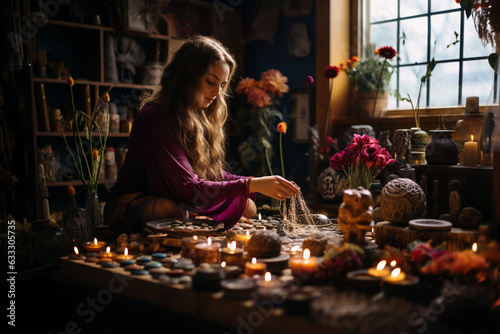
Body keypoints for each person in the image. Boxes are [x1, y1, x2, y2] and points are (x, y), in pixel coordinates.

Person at [104, 35, 300, 234]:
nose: (217, 93)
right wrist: (250, 184)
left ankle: (198, 215)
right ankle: (197, 215)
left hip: (181, 201)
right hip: (134, 203)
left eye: (222, 85)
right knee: (172, 211)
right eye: (210, 82)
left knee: (248, 206)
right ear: (186, 76)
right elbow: (187, 187)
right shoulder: (154, 116)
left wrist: (257, 184)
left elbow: (212, 175)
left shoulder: (199, 115)